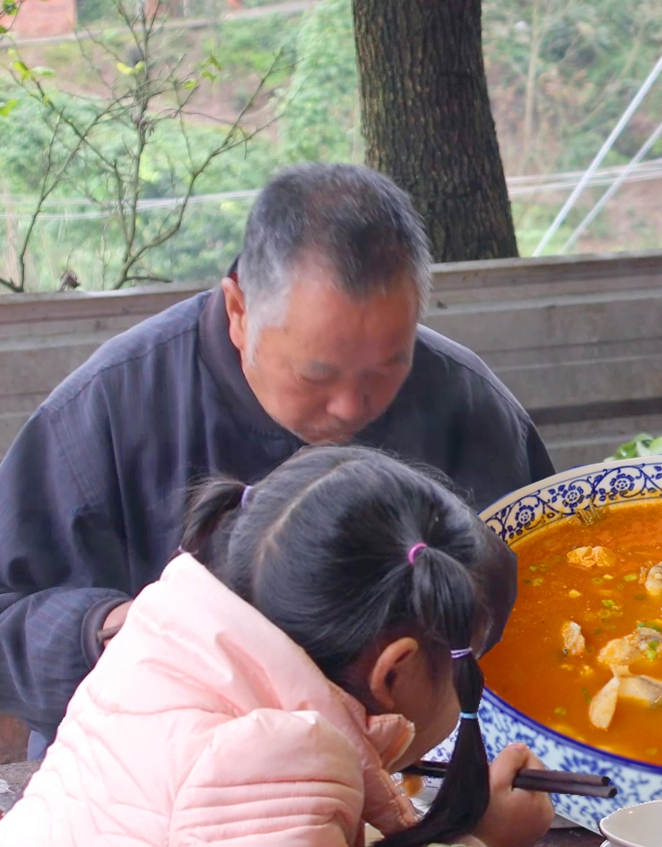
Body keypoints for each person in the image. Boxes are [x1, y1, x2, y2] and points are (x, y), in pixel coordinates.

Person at [0, 163, 555, 755]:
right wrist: (113, 626)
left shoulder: (467, 399)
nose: (351, 408)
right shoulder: (108, 409)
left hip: (428, 766)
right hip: (151, 773)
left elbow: (544, 593)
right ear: (239, 311)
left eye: (388, 367)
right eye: (318, 374)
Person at [0, 446, 555, 846]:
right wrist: (483, 841)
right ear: (396, 672)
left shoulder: (158, 638)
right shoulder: (283, 763)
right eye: (466, 665)